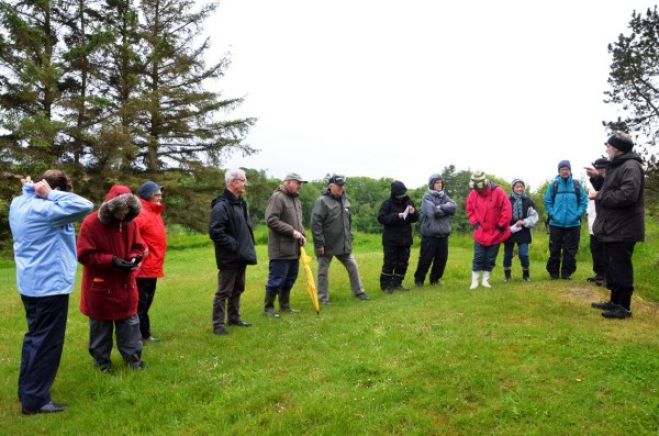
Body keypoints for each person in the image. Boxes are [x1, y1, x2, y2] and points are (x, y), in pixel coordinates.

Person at [10, 170, 93, 415]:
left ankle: (27, 391)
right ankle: (36, 400)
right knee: (47, 343)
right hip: (50, 285)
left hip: (30, 282)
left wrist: (32, 188)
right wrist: (51, 194)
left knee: (34, 338)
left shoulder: (19, 203)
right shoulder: (45, 209)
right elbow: (85, 205)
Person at [77, 185, 146, 373]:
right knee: (101, 328)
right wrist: (111, 261)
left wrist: (134, 257)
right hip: (101, 287)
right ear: (110, 208)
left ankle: (133, 362)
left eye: (127, 212)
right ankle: (102, 365)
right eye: (120, 211)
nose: (122, 216)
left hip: (125, 285)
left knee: (130, 325)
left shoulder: (131, 224)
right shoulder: (91, 223)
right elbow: (84, 255)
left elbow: (139, 246)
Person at [587, 132, 644, 319]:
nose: (606, 149)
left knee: (621, 268)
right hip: (613, 227)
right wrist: (597, 178)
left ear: (618, 148)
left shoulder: (631, 166)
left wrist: (600, 195)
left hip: (624, 228)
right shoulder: (617, 166)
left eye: (609, 146)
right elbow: (609, 189)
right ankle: (614, 302)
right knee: (613, 267)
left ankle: (624, 308)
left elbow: (628, 195)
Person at [209, 168, 256, 335]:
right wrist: (234, 245)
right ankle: (218, 325)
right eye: (243, 180)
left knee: (238, 288)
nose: (245, 183)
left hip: (242, 255)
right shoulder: (221, 206)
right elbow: (215, 232)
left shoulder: (241, 203)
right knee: (224, 291)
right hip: (229, 256)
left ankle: (234, 318)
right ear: (233, 182)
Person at [311, 174, 369, 304]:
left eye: (342, 186)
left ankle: (359, 292)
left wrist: (350, 237)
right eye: (338, 186)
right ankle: (323, 298)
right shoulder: (321, 201)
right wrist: (319, 244)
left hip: (343, 243)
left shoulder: (345, 200)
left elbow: (349, 221)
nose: (341, 188)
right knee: (323, 271)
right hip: (326, 244)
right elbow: (316, 224)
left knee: (352, 266)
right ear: (330, 186)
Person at [264, 172, 307, 317]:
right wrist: (292, 231)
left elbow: (298, 222)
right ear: (288, 182)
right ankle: (268, 308)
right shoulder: (278, 197)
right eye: (298, 183)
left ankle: (285, 306)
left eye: (301, 183)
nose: (300, 186)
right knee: (276, 280)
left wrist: (303, 235)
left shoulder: (296, 200)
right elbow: (271, 220)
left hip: (294, 249)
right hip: (280, 250)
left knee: (289, 279)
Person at [465, 171, 512, 289]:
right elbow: (470, 211)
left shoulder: (499, 192)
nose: (478, 191)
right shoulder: (472, 194)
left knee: (491, 257)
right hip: (480, 232)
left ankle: (485, 280)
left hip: (496, 232)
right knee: (479, 256)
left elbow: (506, 211)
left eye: (480, 188)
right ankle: (474, 281)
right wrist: (476, 225)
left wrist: (500, 228)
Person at [134, 181, 167, 342]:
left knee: (146, 303)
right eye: (156, 194)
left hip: (153, 266)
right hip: (143, 268)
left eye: (160, 194)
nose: (160, 197)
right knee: (140, 304)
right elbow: (133, 236)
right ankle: (139, 336)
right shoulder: (140, 213)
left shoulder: (154, 212)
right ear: (147, 196)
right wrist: (142, 251)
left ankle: (144, 333)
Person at [544, 160, 588, 280]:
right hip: (555, 223)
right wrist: (553, 214)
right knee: (554, 249)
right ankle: (553, 273)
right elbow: (547, 202)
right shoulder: (553, 185)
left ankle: (566, 273)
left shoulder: (577, 185)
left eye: (567, 169)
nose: (565, 171)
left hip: (573, 224)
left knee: (570, 250)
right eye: (562, 169)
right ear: (559, 171)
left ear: (570, 171)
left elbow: (583, 202)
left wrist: (578, 214)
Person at [413, 174, 456, 288]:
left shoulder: (444, 196)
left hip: (443, 234)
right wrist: (445, 209)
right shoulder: (427, 197)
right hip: (430, 235)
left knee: (441, 259)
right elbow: (433, 212)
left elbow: (453, 207)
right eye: (437, 182)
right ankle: (419, 280)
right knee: (425, 259)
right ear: (432, 184)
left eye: (441, 182)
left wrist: (440, 207)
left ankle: (435, 280)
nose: (439, 184)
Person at [377, 180, 418, 293]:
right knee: (389, 262)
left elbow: (415, 219)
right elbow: (381, 218)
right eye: (399, 194)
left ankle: (397, 284)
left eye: (403, 193)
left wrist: (413, 212)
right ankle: (385, 286)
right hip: (391, 240)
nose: (402, 196)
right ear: (394, 193)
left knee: (403, 263)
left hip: (405, 239)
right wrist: (396, 216)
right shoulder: (387, 204)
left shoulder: (409, 202)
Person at [503, 179, 538, 282]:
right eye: (517, 186)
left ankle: (526, 275)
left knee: (523, 254)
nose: (519, 188)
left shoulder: (528, 201)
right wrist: (504, 226)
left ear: (524, 188)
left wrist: (524, 222)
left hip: (523, 231)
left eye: (521, 186)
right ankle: (507, 276)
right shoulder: (506, 201)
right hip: (509, 231)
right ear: (513, 188)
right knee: (508, 254)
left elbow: (534, 217)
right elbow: (501, 215)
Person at [585, 158, 609, 286]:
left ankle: (606, 275)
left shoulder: (609, 180)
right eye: (597, 168)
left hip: (605, 220)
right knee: (595, 249)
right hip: (593, 218)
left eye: (601, 168)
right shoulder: (591, 182)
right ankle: (599, 273)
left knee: (605, 249)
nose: (599, 170)